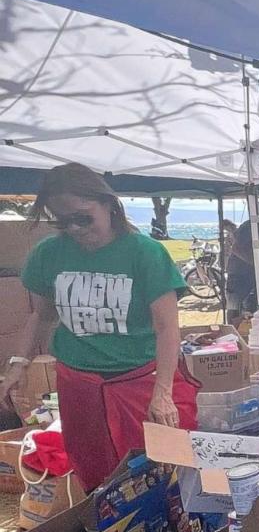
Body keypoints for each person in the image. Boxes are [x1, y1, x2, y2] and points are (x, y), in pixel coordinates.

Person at [0, 163, 198, 491]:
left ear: (108, 204)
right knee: (95, 474)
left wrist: (162, 393)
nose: (74, 228)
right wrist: (18, 366)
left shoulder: (145, 253)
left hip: (139, 381)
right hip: (79, 384)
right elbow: (41, 316)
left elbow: (167, 328)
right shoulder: (48, 253)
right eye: (62, 221)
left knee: (159, 475)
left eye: (82, 217)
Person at [225, 198, 259, 322]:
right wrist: (255, 263)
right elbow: (236, 248)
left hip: (256, 275)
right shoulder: (248, 227)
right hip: (239, 273)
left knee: (253, 305)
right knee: (235, 305)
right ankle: (232, 328)